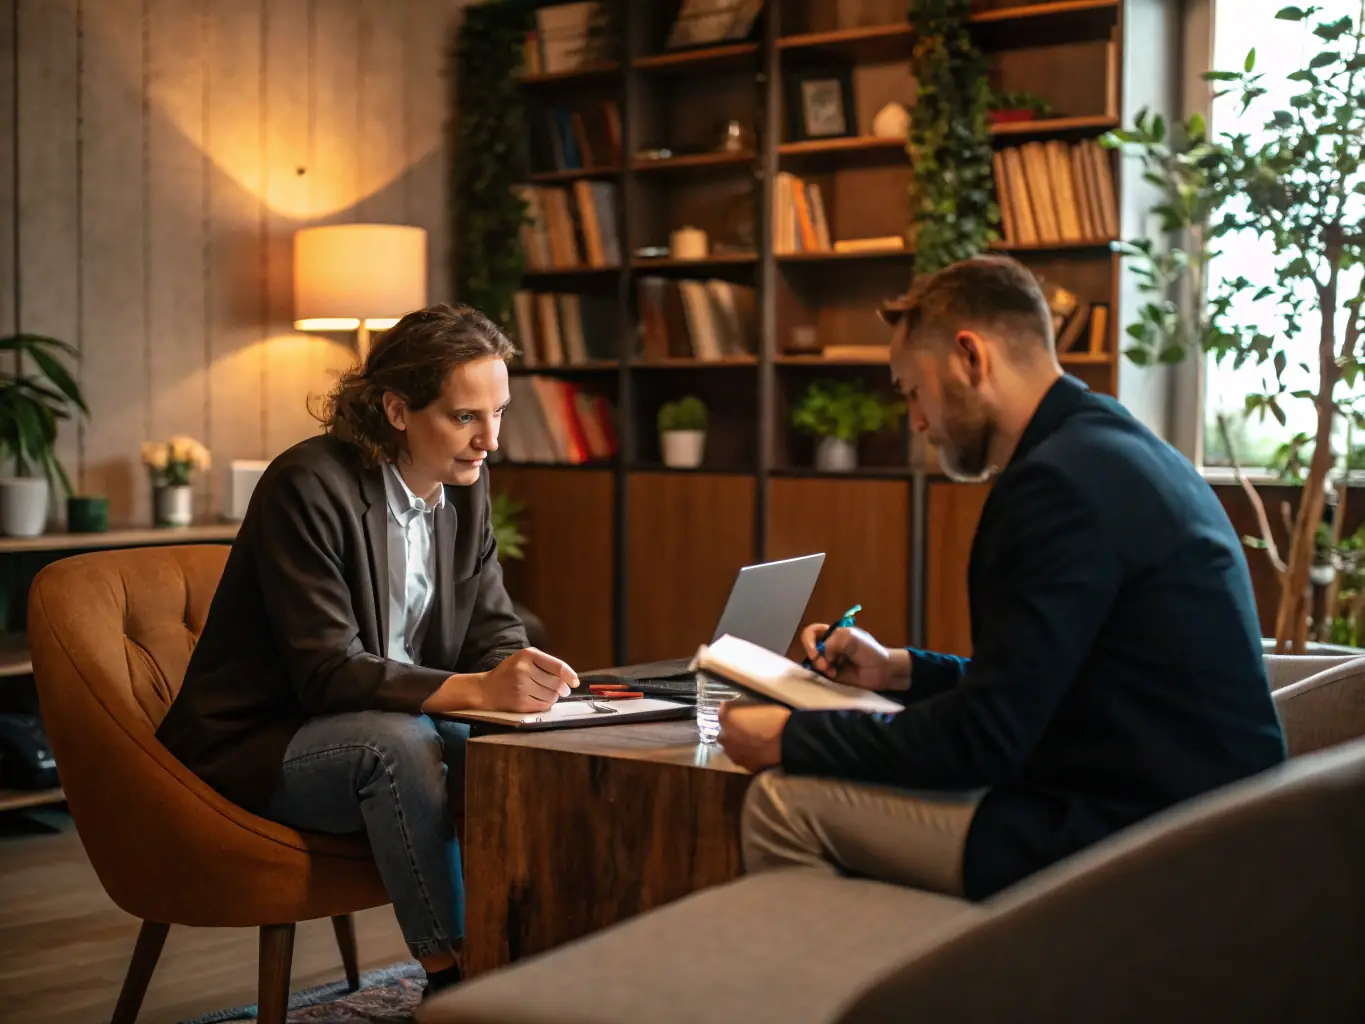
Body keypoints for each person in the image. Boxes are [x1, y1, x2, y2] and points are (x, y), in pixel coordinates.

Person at [717, 254, 1287, 903]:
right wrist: (899, 671)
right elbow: (1041, 684)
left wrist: (789, 736)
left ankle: (926, 968)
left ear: (969, 357)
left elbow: (982, 741)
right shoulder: (1114, 447)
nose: (917, 422)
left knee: (779, 803)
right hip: (1211, 823)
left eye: (913, 391)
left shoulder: (1055, 486)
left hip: (1143, 845)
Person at [156, 303, 579, 997]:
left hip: (390, 719)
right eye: (465, 417)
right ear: (397, 409)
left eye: (497, 413)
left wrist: (524, 678)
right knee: (400, 744)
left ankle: (538, 952)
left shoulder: (464, 488)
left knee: (518, 746)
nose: (490, 440)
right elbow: (328, 672)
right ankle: (455, 981)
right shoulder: (307, 484)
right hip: (263, 743)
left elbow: (492, 629)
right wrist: (478, 690)